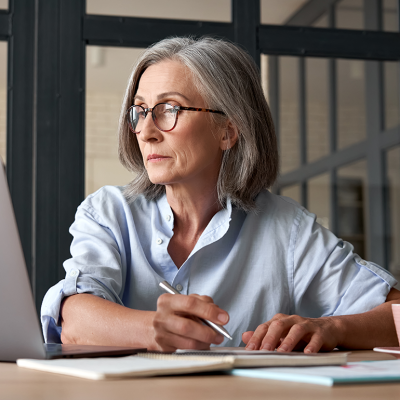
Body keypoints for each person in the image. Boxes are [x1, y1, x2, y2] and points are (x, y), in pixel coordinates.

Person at [41, 36, 400, 353]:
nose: (146, 131)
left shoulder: (287, 230)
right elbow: (73, 321)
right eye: (140, 111)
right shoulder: (108, 212)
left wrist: (331, 327)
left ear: (227, 131)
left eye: (170, 109)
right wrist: (155, 328)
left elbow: (395, 315)